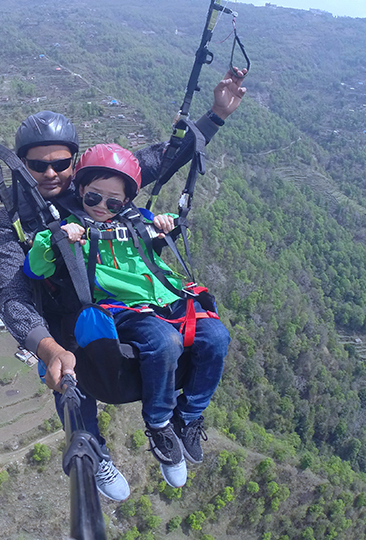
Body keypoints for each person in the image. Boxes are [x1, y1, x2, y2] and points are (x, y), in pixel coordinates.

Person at [0, 69, 247, 499]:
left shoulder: (95, 182)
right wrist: (46, 347)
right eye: (36, 165)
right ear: (21, 165)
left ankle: (174, 427)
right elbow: (12, 296)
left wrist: (216, 115)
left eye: (60, 163)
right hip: (63, 320)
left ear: (75, 161)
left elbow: (161, 158)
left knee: (199, 336)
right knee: (72, 377)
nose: (50, 173)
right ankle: (95, 452)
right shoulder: (11, 224)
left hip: (122, 301)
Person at [23, 144, 230, 488]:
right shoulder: (70, 228)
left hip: (168, 298)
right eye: (93, 199)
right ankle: (160, 422)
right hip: (123, 308)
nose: (103, 208)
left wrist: (164, 225)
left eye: (114, 203)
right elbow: (35, 269)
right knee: (163, 341)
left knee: (217, 337)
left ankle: (189, 415)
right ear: (81, 192)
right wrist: (58, 238)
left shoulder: (137, 221)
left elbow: (156, 235)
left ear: (127, 202)